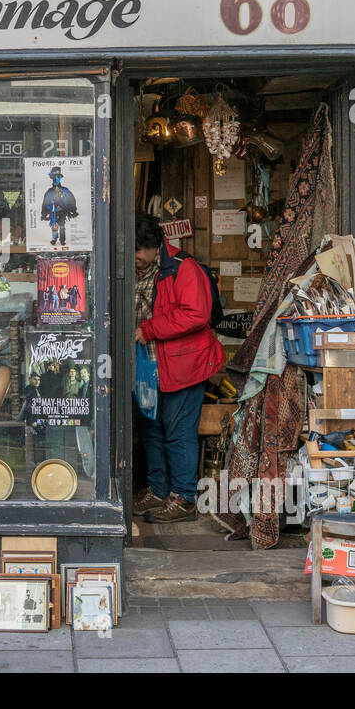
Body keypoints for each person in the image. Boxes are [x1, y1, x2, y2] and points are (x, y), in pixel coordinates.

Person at [132, 215, 225, 523]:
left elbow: (196, 314)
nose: (135, 258)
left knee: (177, 431)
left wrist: (149, 328)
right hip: (148, 365)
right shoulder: (138, 268)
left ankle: (184, 498)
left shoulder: (183, 267)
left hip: (185, 364)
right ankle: (159, 491)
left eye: (138, 251)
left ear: (151, 245)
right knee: (150, 428)